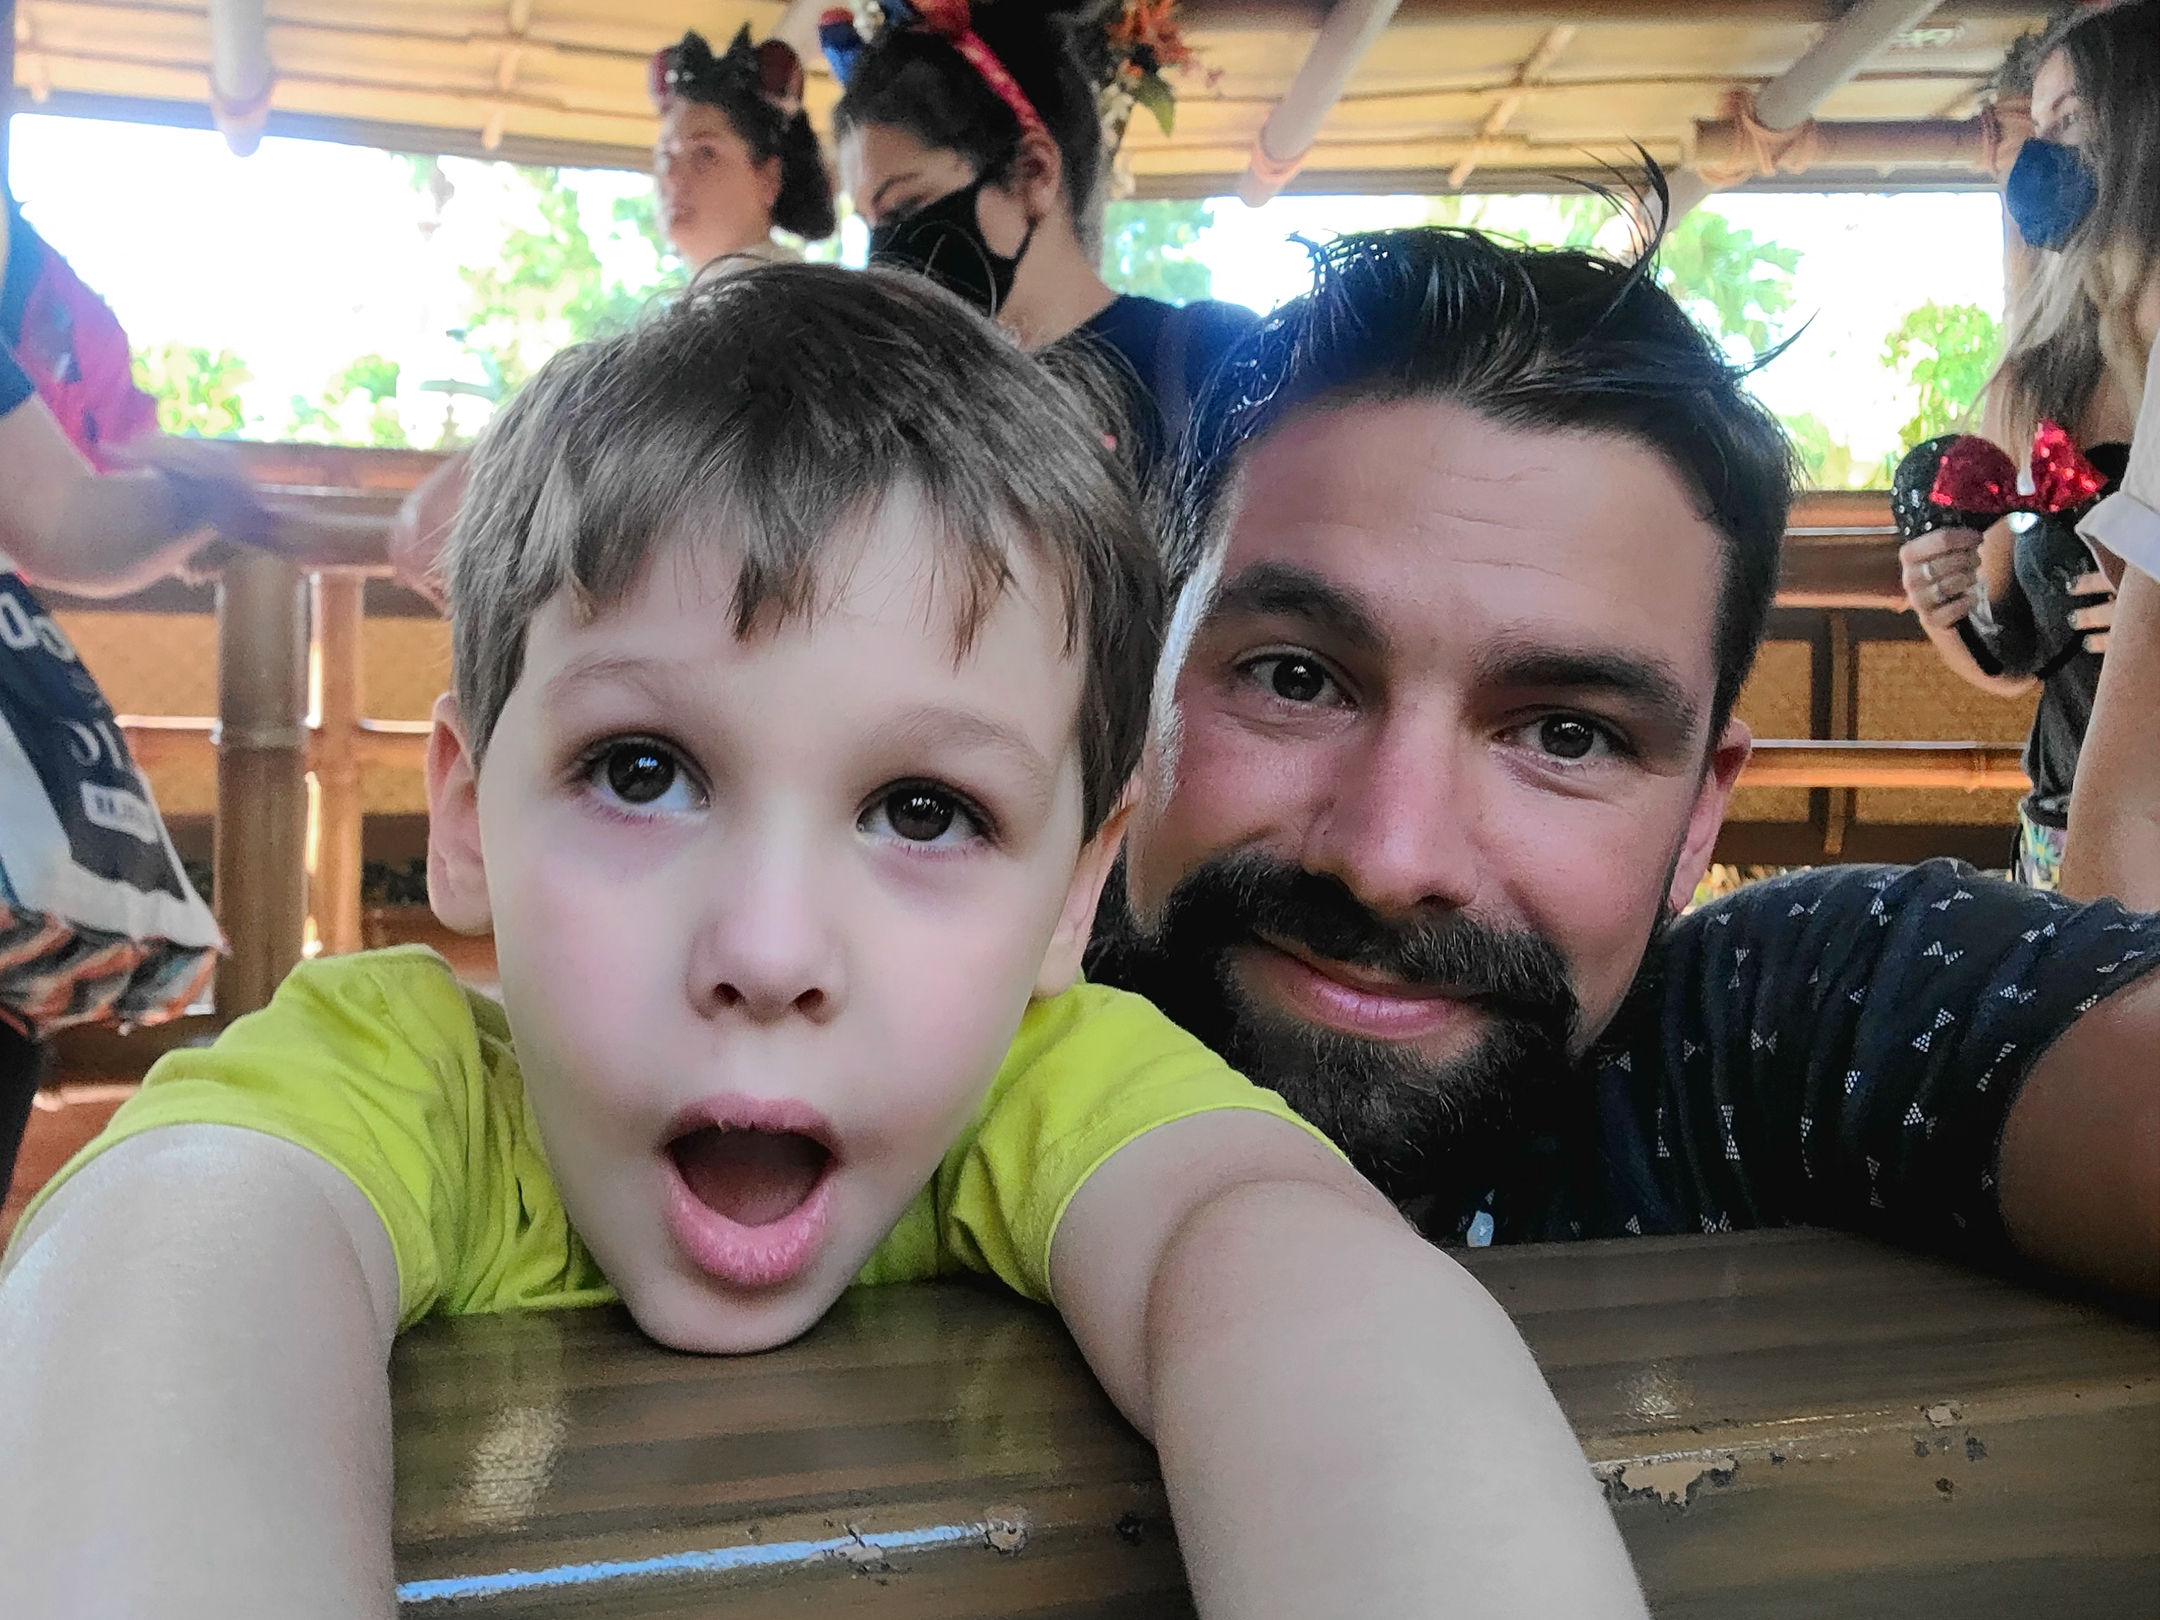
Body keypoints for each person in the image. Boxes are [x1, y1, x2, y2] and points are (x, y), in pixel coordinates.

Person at [0, 266, 1647, 1619]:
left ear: (1076, 897)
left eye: (925, 811)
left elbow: (1318, 1299)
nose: (771, 947)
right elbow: (163, 1295)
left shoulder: (1048, 1084)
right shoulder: (396, 1077)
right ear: (469, 817)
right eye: (640, 773)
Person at [1088, 224, 2158, 1299]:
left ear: (1700, 815)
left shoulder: (1759, 1045)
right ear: (1134, 689)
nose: (1388, 857)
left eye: (1566, 735)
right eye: (1296, 679)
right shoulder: (957, 981)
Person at [386, 26, 838, 601]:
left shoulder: (788, 305)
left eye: (706, 154)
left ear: (767, 175)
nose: (675, 177)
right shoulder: (700, 309)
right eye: (664, 157)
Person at [1896, 0, 2158, 890]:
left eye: (2070, 122)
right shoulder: (2034, 385)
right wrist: (1947, 606)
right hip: (2065, 830)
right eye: (2034, 131)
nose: (2041, 160)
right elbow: (2017, 653)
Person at [823, 0, 1258, 480]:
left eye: (904, 209)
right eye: (870, 227)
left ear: (1034, 173)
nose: (882, 261)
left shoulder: (1219, 365)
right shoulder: (912, 428)